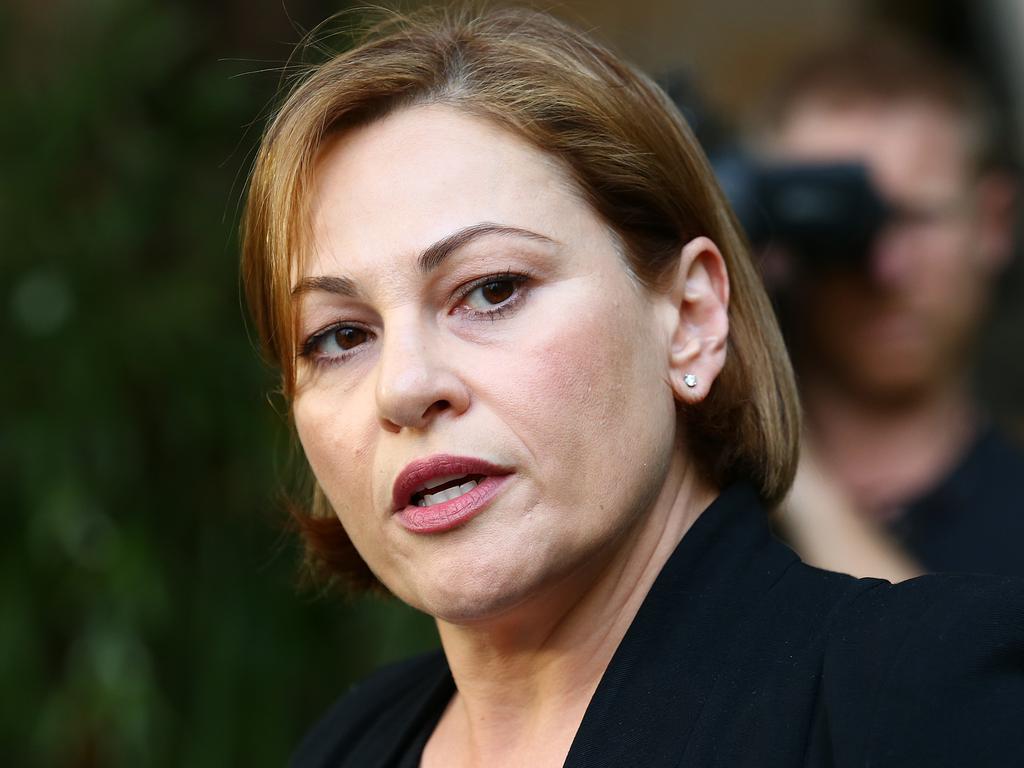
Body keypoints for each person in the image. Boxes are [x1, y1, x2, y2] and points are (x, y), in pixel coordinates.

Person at [240, 8, 1024, 766]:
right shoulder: (349, 744)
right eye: (339, 337)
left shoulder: (923, 696)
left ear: (690, 317)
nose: (404, 387)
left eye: (490, 289)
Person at [752, 34, 1024, 582]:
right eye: (840, 224)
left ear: (994, 222)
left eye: (918, 218)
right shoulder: (694, 503)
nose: (884, 269)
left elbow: (956, 670)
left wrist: (802, 485)